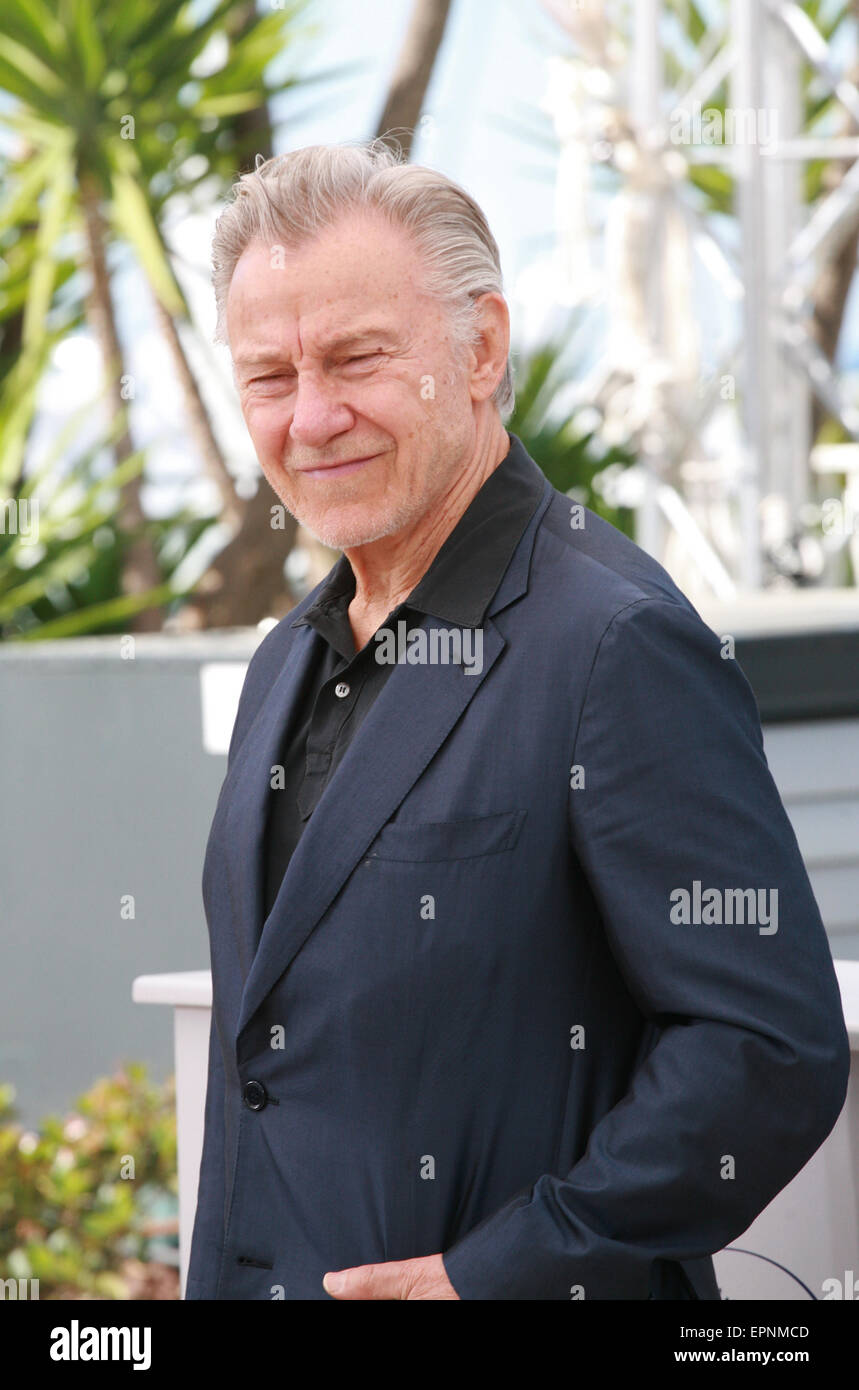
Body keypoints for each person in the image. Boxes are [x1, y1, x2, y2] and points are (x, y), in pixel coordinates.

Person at [185, 141, 849, 1301]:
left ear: (481, 348)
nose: (313, 416)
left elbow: (765, 1047)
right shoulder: (286, 657)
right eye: (269, 376)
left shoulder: (614, 640)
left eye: (356, 358)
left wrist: (486, 1276)